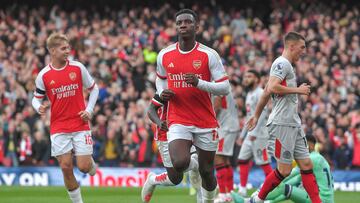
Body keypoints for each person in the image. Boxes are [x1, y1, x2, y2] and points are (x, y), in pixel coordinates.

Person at [155, 9, 230, 202]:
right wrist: (162, 93)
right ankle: (193, 164)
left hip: (205, 119)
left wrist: (199, 83)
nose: (183, 25)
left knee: (207, 172)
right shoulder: (165, 55)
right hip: (178, 118)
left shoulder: (208, 54)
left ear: (196, 27)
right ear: (176, 27)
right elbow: (160, 79)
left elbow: (225, 87)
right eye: (179, 22)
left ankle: (207, 200)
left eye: (187, 22)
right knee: (179, 163)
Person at [246, 31, 322, 203]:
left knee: (306, 165)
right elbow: (272, 87)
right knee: (284, 170)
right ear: (291, 46)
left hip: (292, 123)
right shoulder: (282, 63)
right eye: (302, 47)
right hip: (281, 124)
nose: (304, 51)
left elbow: (266, 91)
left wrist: (256, 115)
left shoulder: (286, 66)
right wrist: (298, 90)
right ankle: (257, 200)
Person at [32, 33, 99, 203]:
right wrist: (37, 106)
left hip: (80, 123)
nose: (68, 51)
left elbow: (94, 88)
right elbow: (36, 98)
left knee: (83, 168)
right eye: (63, 48)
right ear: (53, 51)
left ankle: (90, 163)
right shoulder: (43, 75)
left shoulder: (77, 68)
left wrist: (89, 110)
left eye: (68, 47)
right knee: (65, 167)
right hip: (59, 126)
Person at [231, 134, 334, 203]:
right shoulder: (319, 158)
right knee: (291, 187)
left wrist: (266, 186)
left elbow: (291, 175)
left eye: (302, 144)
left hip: (321, 200)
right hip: (327, 199)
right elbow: (296, 179)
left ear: (309, 145)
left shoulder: (310, 159)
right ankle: (260, 201)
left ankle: (250, 201)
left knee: (284, 187)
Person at [141, 93, 201, 203]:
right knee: (175, 179)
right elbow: (151, 110)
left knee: (198, 160)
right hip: (165, 134)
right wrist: (159, 123)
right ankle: (152, 180)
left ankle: (201, 199)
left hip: (187, 129)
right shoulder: (166, 87)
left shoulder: (191, 83)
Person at [237, 70, 272, 197]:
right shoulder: (249, 94)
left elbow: (262, 114)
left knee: (264, 162)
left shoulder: (260, 93)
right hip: (250, 134)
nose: (246, 78)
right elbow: (249, 117)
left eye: (249, 76)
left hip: (260, 134)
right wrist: (242, 135)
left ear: (257, 79)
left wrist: (254, 132)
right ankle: (242, 189)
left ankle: (272, 188)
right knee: (242, 160)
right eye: (245, 76)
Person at [213, 91, 240, 203]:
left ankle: (223, 194)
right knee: (225, 160)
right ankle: (230, 193)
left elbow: (217, 105)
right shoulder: (224, 84)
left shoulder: (216, 84)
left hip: (225, 127)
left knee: (218, 158)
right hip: (230, 126)